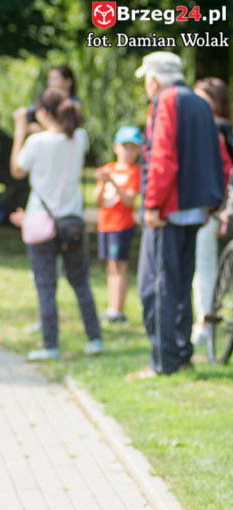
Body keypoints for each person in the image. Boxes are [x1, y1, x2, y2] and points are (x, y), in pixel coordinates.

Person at [127, 52, 225, 380]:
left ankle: (162, 362)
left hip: (168, 209)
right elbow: (219, 157)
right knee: (181, 283)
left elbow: (162, 156)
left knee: (156, 286)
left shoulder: (166, 101)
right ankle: (182, 356)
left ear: (154, 80)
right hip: (195, 209)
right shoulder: (200, 103)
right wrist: (211, 204)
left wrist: (152, 204)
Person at [8, 89, 102, 361]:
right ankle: (94, 339)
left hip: (42, 222)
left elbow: (17, 169)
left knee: (46, 286)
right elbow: (60, 136)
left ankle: (51, 345)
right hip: (72, 223)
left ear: (43, 113)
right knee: (80, 282)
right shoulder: (79, 138)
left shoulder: (35, 142)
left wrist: (20, 130)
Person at [191, 78, 233, 349]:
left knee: (203, 266)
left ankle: (203, 322)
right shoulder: (226, 128)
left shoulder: (212, 129)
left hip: (213, 206)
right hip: (223, 205)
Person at [93, 126, 143, 325]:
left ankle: (118, 310)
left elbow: (129, 200)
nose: (128, 151)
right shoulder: (109, 168)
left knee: (119, 266)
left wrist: (112, 182)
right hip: (105, 224)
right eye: (125, 146)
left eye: (133, 147)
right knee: (110, 267)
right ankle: (111, 308)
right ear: (116, 147)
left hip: (122, 225)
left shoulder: (135, 172)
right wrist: (103, 182)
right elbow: (97, 199)